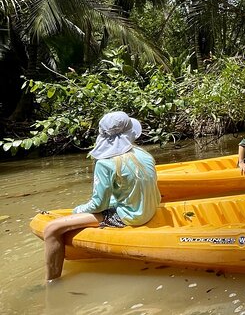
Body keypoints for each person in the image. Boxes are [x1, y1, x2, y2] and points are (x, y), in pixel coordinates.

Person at [43, 111, 161, 280]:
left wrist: (78, 210)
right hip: (150, 210)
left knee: (51, 229)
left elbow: (99, 205)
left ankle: (50, 282)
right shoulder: (143, 154)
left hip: (131, 217)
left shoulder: (105, 163)